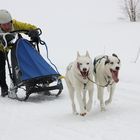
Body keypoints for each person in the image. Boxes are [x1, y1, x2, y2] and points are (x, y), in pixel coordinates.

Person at [0, 9, 40, 97]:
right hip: (1, 49)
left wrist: (34, 32)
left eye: (8, 23)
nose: (7, 26)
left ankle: (35, 79)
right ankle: (3, 87)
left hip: (11, 44)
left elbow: (30, 27)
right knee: (0, 66)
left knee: (25, 57)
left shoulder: (15, 24)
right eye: (4, 25)